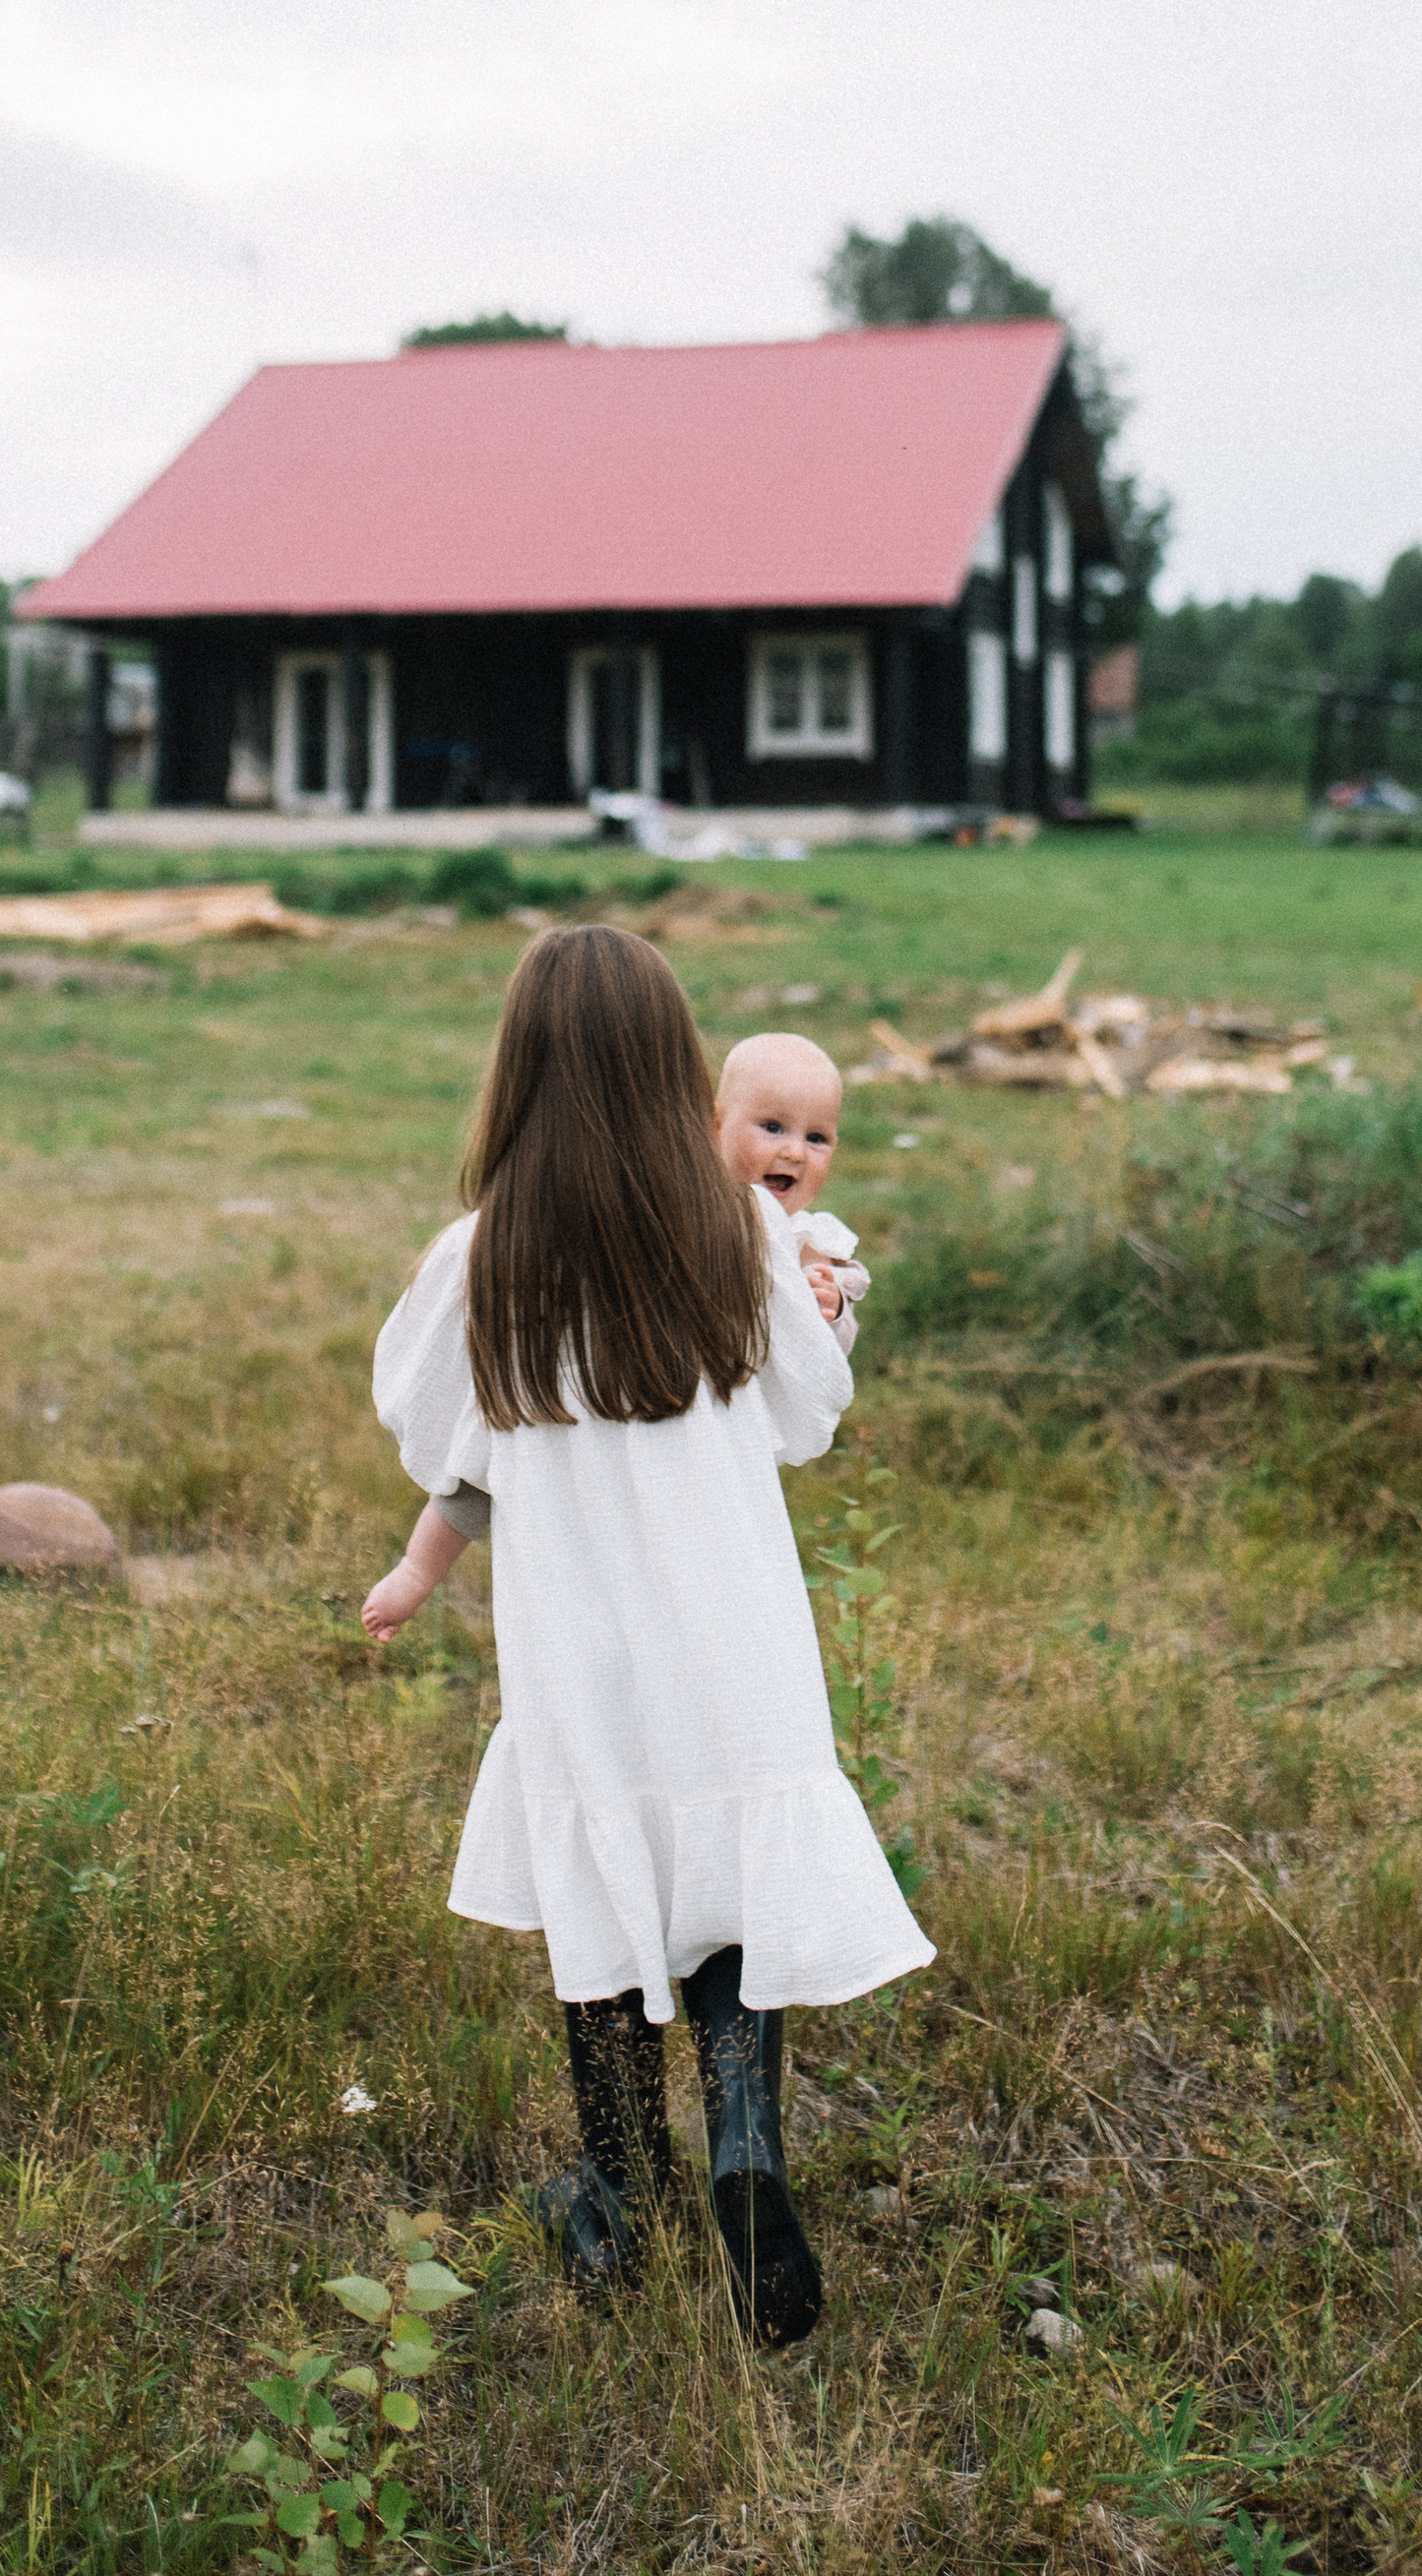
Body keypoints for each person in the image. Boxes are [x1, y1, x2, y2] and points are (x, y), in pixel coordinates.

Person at [360, 925, 932, 2343]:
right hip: (733, 1628)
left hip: (578, 1643)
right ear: (680, 1068)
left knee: (604, 1889)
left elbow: (431, 1426)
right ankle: (745, 2141)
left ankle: (620, 2193)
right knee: (734, 1877)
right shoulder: (740, 1226)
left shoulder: (482, 1254)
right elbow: (808, 1417)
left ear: (520, 1072)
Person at [712, 1027, 872, 1336]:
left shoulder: (810, 1244)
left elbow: (833, 1358)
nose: (796, 1153)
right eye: (773, 1127)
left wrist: (833, 1309)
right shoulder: (694, 1217)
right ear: (717, 1126)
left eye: (816, 1138)